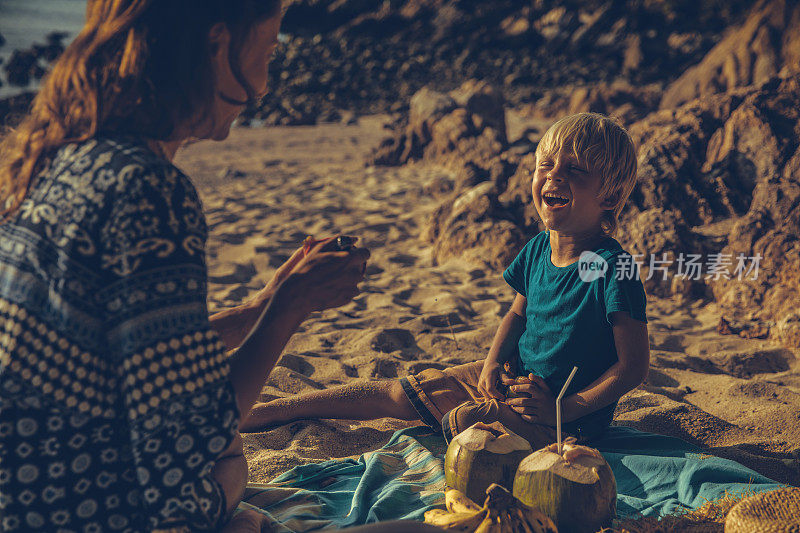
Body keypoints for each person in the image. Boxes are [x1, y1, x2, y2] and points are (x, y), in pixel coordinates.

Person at [0, 1, 443, 532]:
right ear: (216, 46)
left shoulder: (63, 156)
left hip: (28, 491)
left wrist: (258, 308)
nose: (265, 86)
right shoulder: (150, 190)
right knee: (232, 461)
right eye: (269, 51)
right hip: (88, 509)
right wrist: (290, 307)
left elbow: (137, 351)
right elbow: (193, 431)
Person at [242, 112, 651, 448]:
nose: (553, 176)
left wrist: (566, 409)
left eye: (574, 170)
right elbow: (517, 315)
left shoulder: (615, 267)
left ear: (610, 197)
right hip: (512, 379)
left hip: (565, 421)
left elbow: (632, 367)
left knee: (466, 422)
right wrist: (491, 363)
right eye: (545, 165)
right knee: (401, 393)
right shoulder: (538, 247)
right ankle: (272, 411)